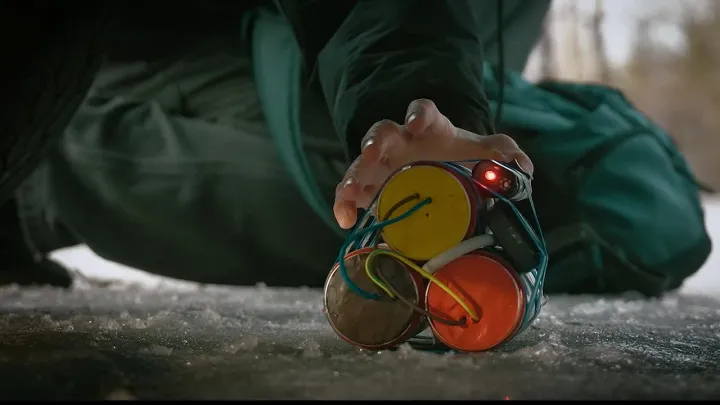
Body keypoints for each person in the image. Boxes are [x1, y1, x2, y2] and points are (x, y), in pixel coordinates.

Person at [0, 0, 552, 288]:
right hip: (125, 48)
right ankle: (34, 188)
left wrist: (424, 114)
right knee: (355, 218)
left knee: (415, 194)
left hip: (327, 44)